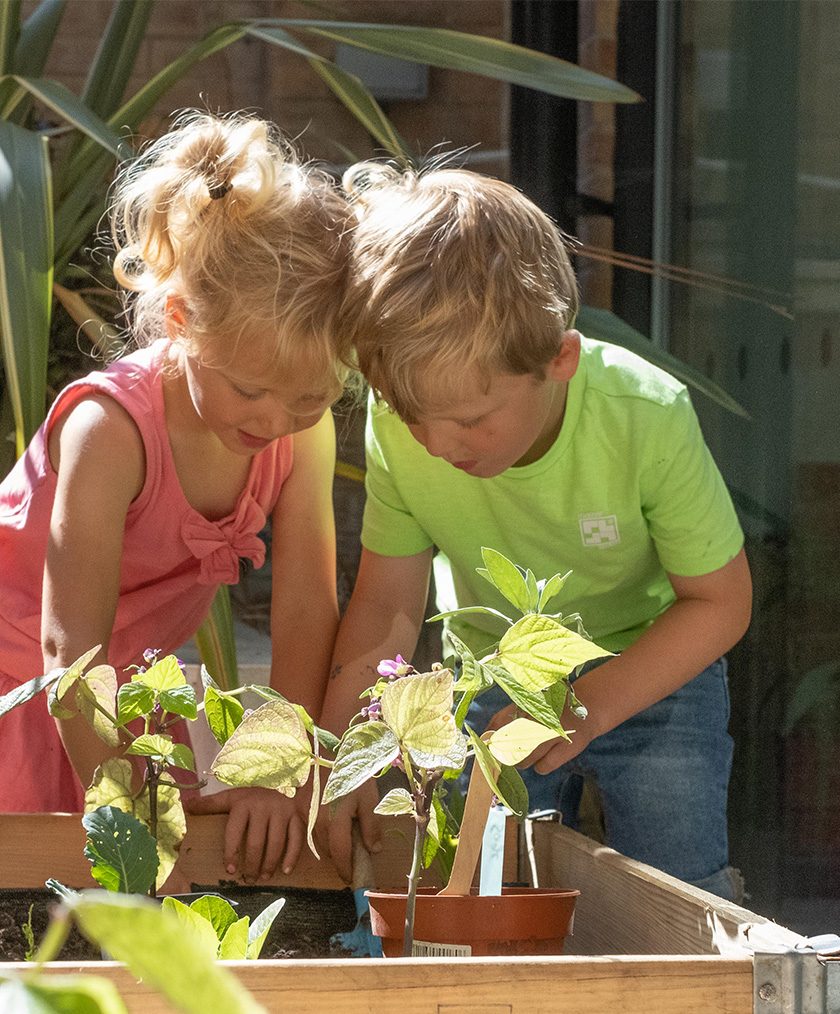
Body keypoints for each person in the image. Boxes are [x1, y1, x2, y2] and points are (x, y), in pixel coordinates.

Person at [0, 112, 354, 881]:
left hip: (121, 686)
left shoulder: (302, 430)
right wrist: (121, 791)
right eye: (251, 391)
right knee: (8, 903)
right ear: (182, 322)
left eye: (307, 400)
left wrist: (273, 766)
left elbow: (303, 609)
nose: (275, 422)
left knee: (151, 907)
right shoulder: (109, 428)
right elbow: (68, 651)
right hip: (15, 672)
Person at [318, 164, 752, 901]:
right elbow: (387, 604)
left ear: (559, 360)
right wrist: (344, 759)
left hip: (654, 678)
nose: (434, 442)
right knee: (485, 892)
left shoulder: (645, 414)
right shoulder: (401, 427)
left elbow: (721, 603)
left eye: (467, 418)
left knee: (682, 895)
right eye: (408, 411)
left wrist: (588, 707)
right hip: (494, 687)